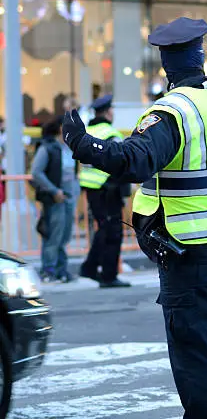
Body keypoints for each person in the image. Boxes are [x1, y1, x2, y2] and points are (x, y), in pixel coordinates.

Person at [63, 17, 207, 419]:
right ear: (201, 57)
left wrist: (83, 143)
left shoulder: (172, 113)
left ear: (166, 66)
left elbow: (132, 162)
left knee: (196, 344)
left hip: (190, 253)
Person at [78, 95, 131, 289]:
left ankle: (92, 268)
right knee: (112, 232)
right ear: (108, 112)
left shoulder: (87, 132)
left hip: (92, 190)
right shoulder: (110, 133)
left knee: (105, 229)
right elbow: (121, 163)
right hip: (109, 189)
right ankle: (105, 273)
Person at [31, 116, 80, 282]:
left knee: (65, 236)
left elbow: (72, 175)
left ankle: (61, 270)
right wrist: (54, 191)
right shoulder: (48, 148)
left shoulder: (69, 148)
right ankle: (48, 270)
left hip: (68, 199)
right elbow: (36, 172)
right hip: (54, 199)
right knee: (53, 236)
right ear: (61, 128)